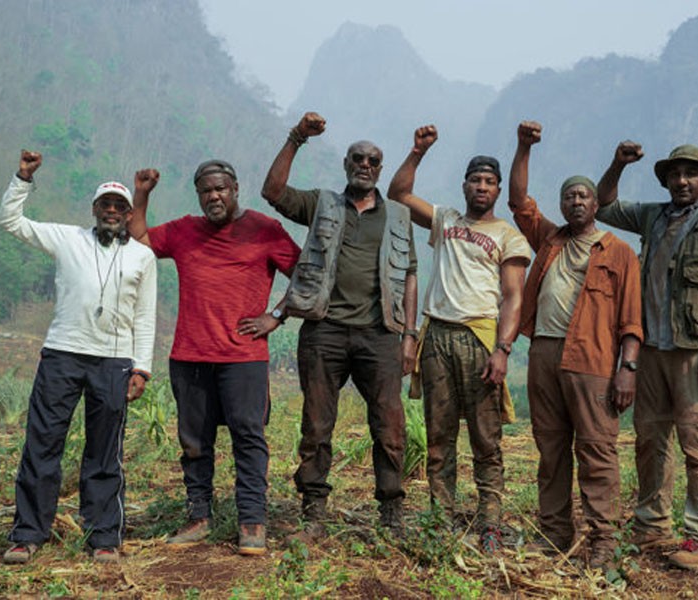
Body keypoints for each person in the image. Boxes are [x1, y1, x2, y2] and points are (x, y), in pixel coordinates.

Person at [596, 141, 698, 569]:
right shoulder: (653, 216)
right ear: (665, 180)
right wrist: (618, 164)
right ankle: (653, 526)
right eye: (674, 174)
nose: (682, 181)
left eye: (690, 174)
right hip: (651, 350)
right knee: (650, 441)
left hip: (695, 353)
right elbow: (604, 205)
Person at [127, 159, 299, 555]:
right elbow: (140, 241)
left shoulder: (265, 229)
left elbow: (307, 272)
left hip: (244, 357)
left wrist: (276, 315)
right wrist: (142, 194)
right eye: (206, 191)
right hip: (190, 356)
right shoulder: (184, 230)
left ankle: (252, 521)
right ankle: (199, 517)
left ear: (235, 189)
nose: (214, 196)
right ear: (199, 195)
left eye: (220, 188)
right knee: (194, 443)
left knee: (248, 438)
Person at [260, 112, 418, 535]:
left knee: (389, 424)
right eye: (357, 159)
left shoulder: (398, 217)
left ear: (380, 169)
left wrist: (409, 336)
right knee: (316, 423)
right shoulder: (322, 204)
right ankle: (314, 507)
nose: (365, 165)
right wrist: (297, 138)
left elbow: (409, 276)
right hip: (324, 329)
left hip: (380, 333)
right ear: (346, 165)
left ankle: (391, 509)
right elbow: (273, 192)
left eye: (372, 161)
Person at [0, 150, 157, 565]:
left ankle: (103, 537)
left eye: (119, 206)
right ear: (94, 209)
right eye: (105, 204)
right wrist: (23, 178)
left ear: (128, 214)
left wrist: (142, 368)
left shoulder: (142, 256)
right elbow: (11, 221)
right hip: (62, 355)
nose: (111, 210)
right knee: (42, 444)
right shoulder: (68, 239)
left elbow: (145, 316)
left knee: (104, 452)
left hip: (114, 361)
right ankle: (28, 534)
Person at [387, 124, 530, 554]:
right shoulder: (445, 219)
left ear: (498, 189)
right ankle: (441, 519)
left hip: (480, 338)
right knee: (440, 437)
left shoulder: (508, 235)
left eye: (489, 181)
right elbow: (398, 193)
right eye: (475, 180)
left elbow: (513, 297)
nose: (481, 187)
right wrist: (418, 151)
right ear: (464, 185)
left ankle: (490, 524)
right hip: (437, 338)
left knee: (486, 439)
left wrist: (503, 349)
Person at [508, 121, 643, 569]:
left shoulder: (618, 251)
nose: (576, 202)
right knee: (550, 448)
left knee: (597, 450)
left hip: (593, 359)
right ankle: (554, 534)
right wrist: (524, 147)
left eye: (584, 196)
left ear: (596, 204)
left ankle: (604, 541)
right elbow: (518, 201)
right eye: (569, 196)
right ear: (562, 204)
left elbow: (632, 320)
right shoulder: (550, 239)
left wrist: (627, 370)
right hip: (544, 354)